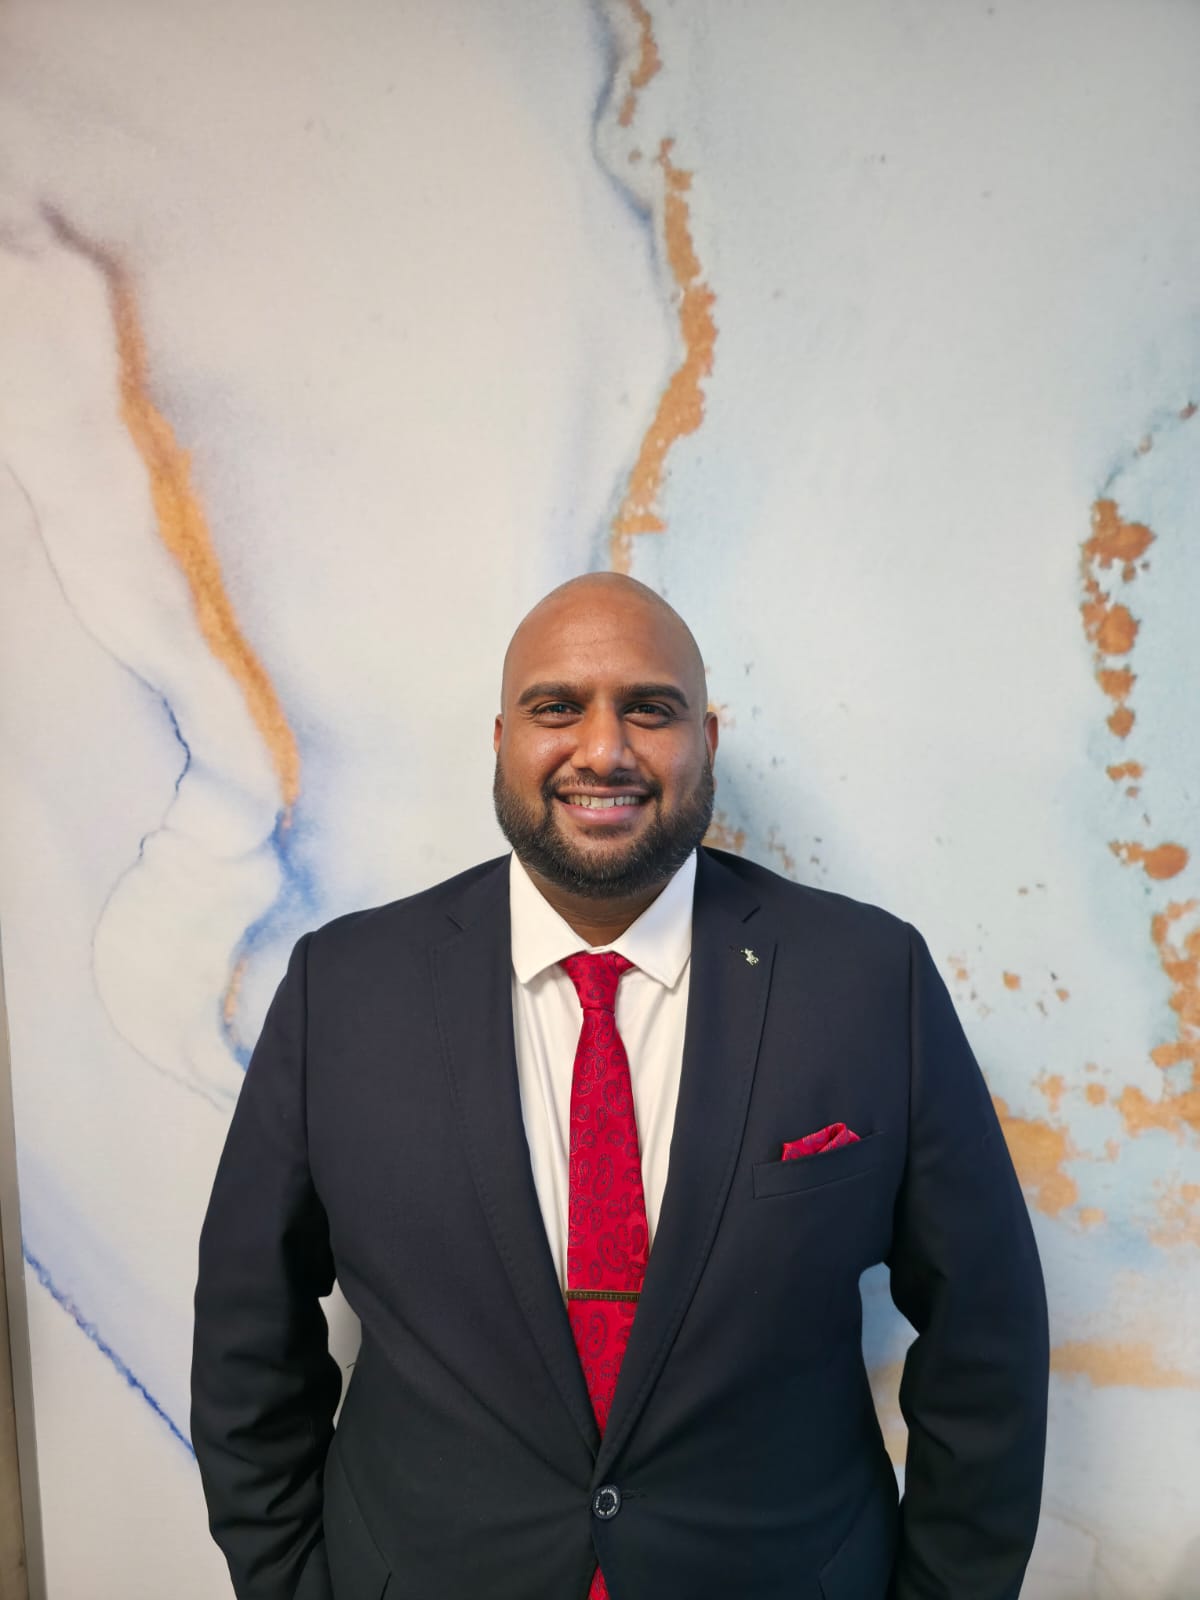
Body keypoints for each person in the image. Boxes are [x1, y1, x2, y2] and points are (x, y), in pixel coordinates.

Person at [191, 573, 1049, 1600]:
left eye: (650, 707)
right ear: (503, 736)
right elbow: (251, 1330)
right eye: (559, 707)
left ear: (709, 740)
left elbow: (985, 1333)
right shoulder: (346, 987)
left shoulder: (871, 979)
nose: (603, 748)